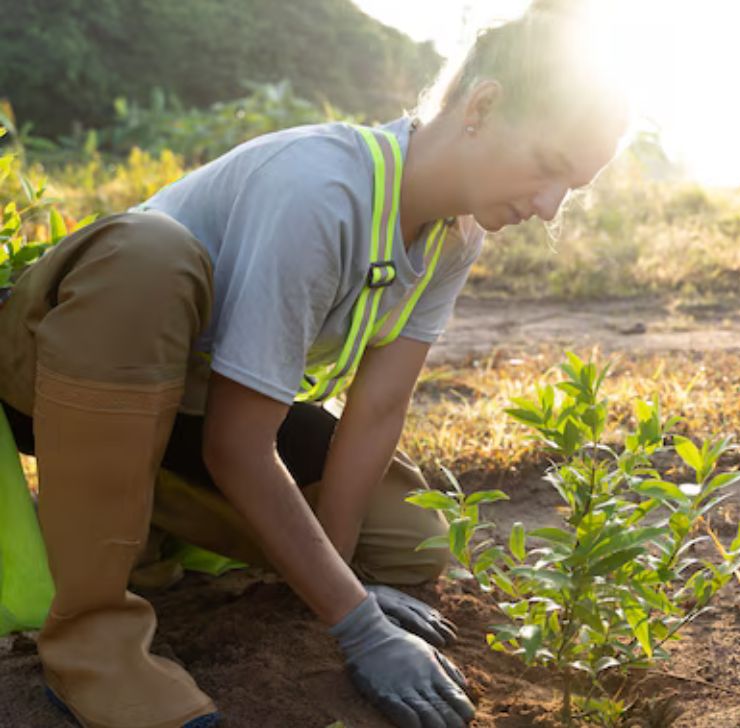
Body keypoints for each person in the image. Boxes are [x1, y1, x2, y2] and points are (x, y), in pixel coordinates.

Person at [0, 1, 628, 726]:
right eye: (549, 167)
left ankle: (129, 520)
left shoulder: (454, 240)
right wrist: (358, 627)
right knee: (152, 252)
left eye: (571, 189)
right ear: (482, 105)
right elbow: (236, 445)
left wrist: (341, 581)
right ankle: (93, 648)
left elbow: (377, 411)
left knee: (406, 535)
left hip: (188, 404)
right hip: (68, 362)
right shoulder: (323, 189)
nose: (550, 207)